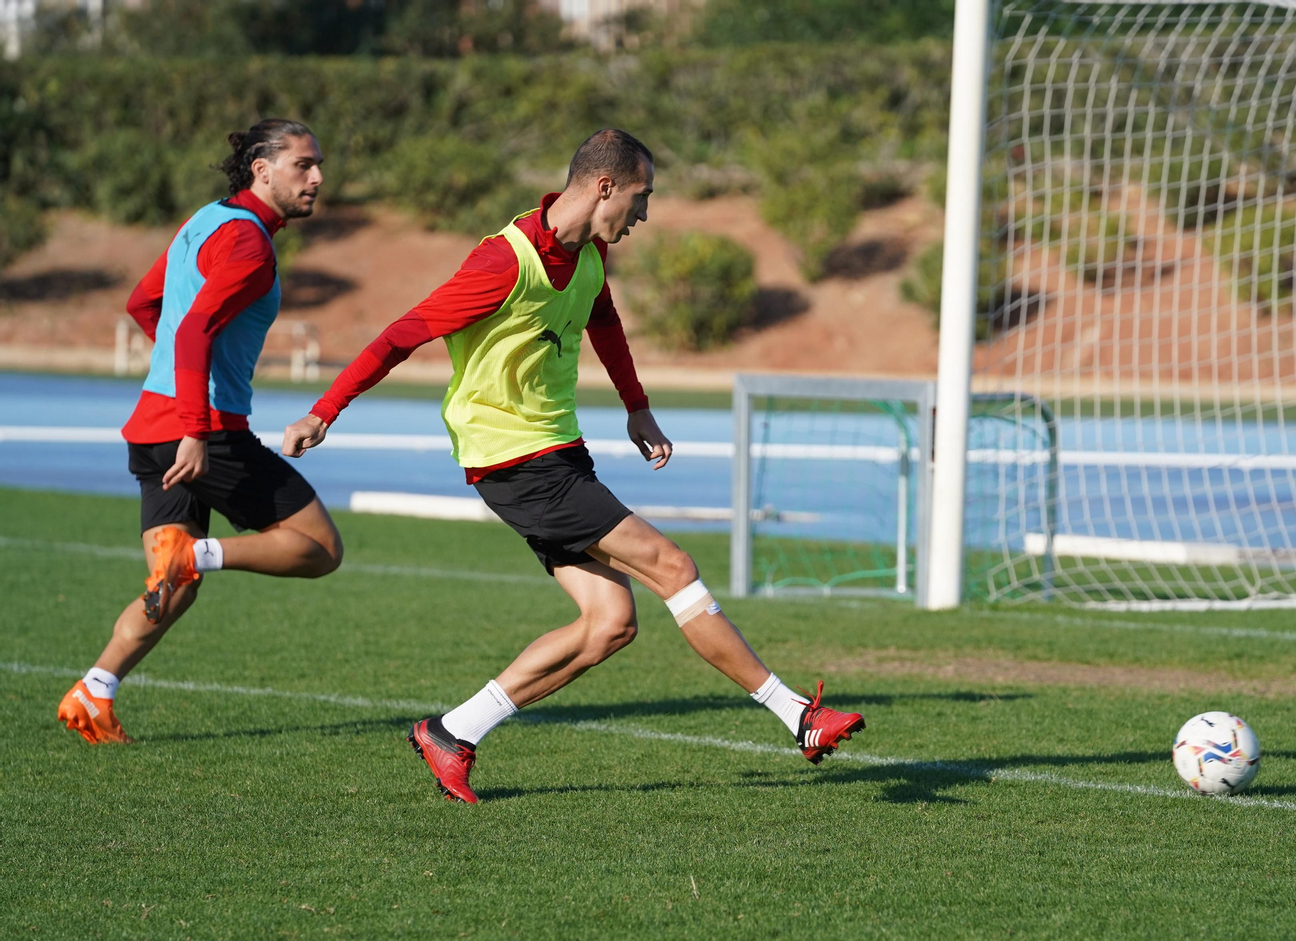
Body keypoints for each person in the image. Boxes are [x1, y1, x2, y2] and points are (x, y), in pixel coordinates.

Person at [282, 128, 863, 804]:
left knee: (610, 621)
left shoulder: (589, 255)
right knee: (672, 566)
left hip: (557, 451)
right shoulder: (504, 262)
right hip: (513, 459)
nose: (643, 216)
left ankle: (451, 733)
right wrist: (323, 413)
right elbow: (400, 335)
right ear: (605, 186)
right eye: (641, 198)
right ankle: (798, 716)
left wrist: (637, 408)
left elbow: (604, 320)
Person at [55, 119, 344, 745]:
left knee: (171, 589)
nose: (318, 176)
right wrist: (194, 425)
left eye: (318, 163)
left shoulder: (204, 221)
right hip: (203, 433)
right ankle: (199, 555)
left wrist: (173, 391)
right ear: (263, 171)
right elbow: (189, 333)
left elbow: (143, 304)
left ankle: (94, 691)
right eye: (303, 164)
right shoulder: (248, 246)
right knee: (320, 549)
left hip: (153, 429)